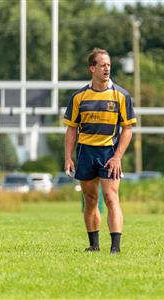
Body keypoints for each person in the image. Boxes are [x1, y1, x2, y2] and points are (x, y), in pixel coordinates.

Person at [63, 48, 136, 254]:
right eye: (102, 65)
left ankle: (115, 247)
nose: (107, 68)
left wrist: (117, 157)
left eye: (109, 65)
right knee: (90, 199)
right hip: (86, 152)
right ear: (92, 68)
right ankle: (94, 245)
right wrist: (68, 157)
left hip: (109, 152)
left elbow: (127, 129)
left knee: (111, 197)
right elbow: (71, 129)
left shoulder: (121, 95)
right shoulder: (79, 97)